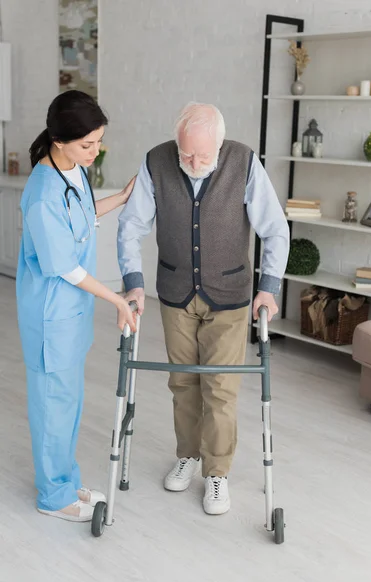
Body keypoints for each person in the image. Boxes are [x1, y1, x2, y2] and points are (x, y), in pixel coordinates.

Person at [117, 102, 289, 515]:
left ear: (220, 143)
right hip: (175, 291)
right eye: (186, 154)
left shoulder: (244, 162)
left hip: (229, 294)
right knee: (182, 383)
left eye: (202, 155)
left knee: (222, 388)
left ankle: (217, 474)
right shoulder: (156, 161)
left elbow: (274, 227)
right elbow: (131, 225)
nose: (193, 163)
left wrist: (269, 287)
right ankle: (188, 456)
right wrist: (133, 284)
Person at [16, 90, 137, 523]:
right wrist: (116, 299)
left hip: (71, 315)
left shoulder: (73, 173)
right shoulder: (43, 191)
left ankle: (65, 481)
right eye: (88, 144)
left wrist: (122, 197)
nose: (95, 151)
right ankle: (53, 496)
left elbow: (83, 218)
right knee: (53, 407)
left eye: (99, 141)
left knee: (69, 403)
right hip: (52, 316)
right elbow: (63, 265)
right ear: (59, 139)